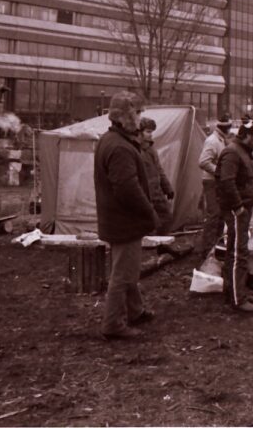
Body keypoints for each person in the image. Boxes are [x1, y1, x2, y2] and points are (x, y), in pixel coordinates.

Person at [93, 92, 158, 339]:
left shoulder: (110, 139)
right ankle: (113, 325)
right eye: (138, 113)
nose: (141, 118)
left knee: (127, 269)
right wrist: (150, 213)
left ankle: (135, 311)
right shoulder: (119, 147)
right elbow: (127, 189)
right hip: (124, 221)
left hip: (117, 219)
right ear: (125, 117)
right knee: (122, 275)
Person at [216, 120, 253, 313]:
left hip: (243, 207)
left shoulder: (242, 151)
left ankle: (233, 291)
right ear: (248, 136)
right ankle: (238, 299)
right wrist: (238, 207)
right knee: (238, 252)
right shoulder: (232, 152)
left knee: (234, 250)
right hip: (237, 209)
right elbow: (226, 182)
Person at [198, 114, 233, 255]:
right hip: (211, 181)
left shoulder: (223, 140)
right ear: (223, 127)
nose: (229, 130)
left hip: (218, 181)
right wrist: (219, 172)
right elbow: (203, 161)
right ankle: (206, 248)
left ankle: (215, 245)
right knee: (214, 214)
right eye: (227, 127)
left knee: (221, 215)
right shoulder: (213, 141)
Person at [138, 117, 174, 235]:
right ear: (139, 132)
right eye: (148, 132)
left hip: (157, 192)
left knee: (166, 219)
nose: (151, 135)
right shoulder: (135, 150)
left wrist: (167, 188)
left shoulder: (151, 148)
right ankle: (149, 251)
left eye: (151, 132)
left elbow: (159, 169)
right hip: (145, 194)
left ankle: (161, 249)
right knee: (149, 225)